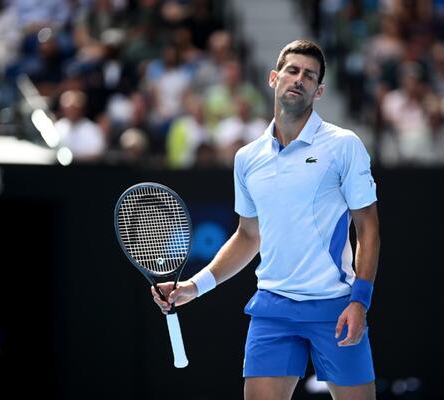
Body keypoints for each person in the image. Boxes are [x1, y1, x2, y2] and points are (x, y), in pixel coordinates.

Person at [152, 39, 380, 400]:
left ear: (319, 91)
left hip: (335, 305)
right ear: (274, 78)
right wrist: (193, 287)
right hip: (273, 307)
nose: (299, 79)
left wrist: (359, 302)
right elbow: (248, 235)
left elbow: (368, 229)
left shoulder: (344, 145)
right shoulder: (247, 158)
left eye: (309, 75)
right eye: (292, 70)